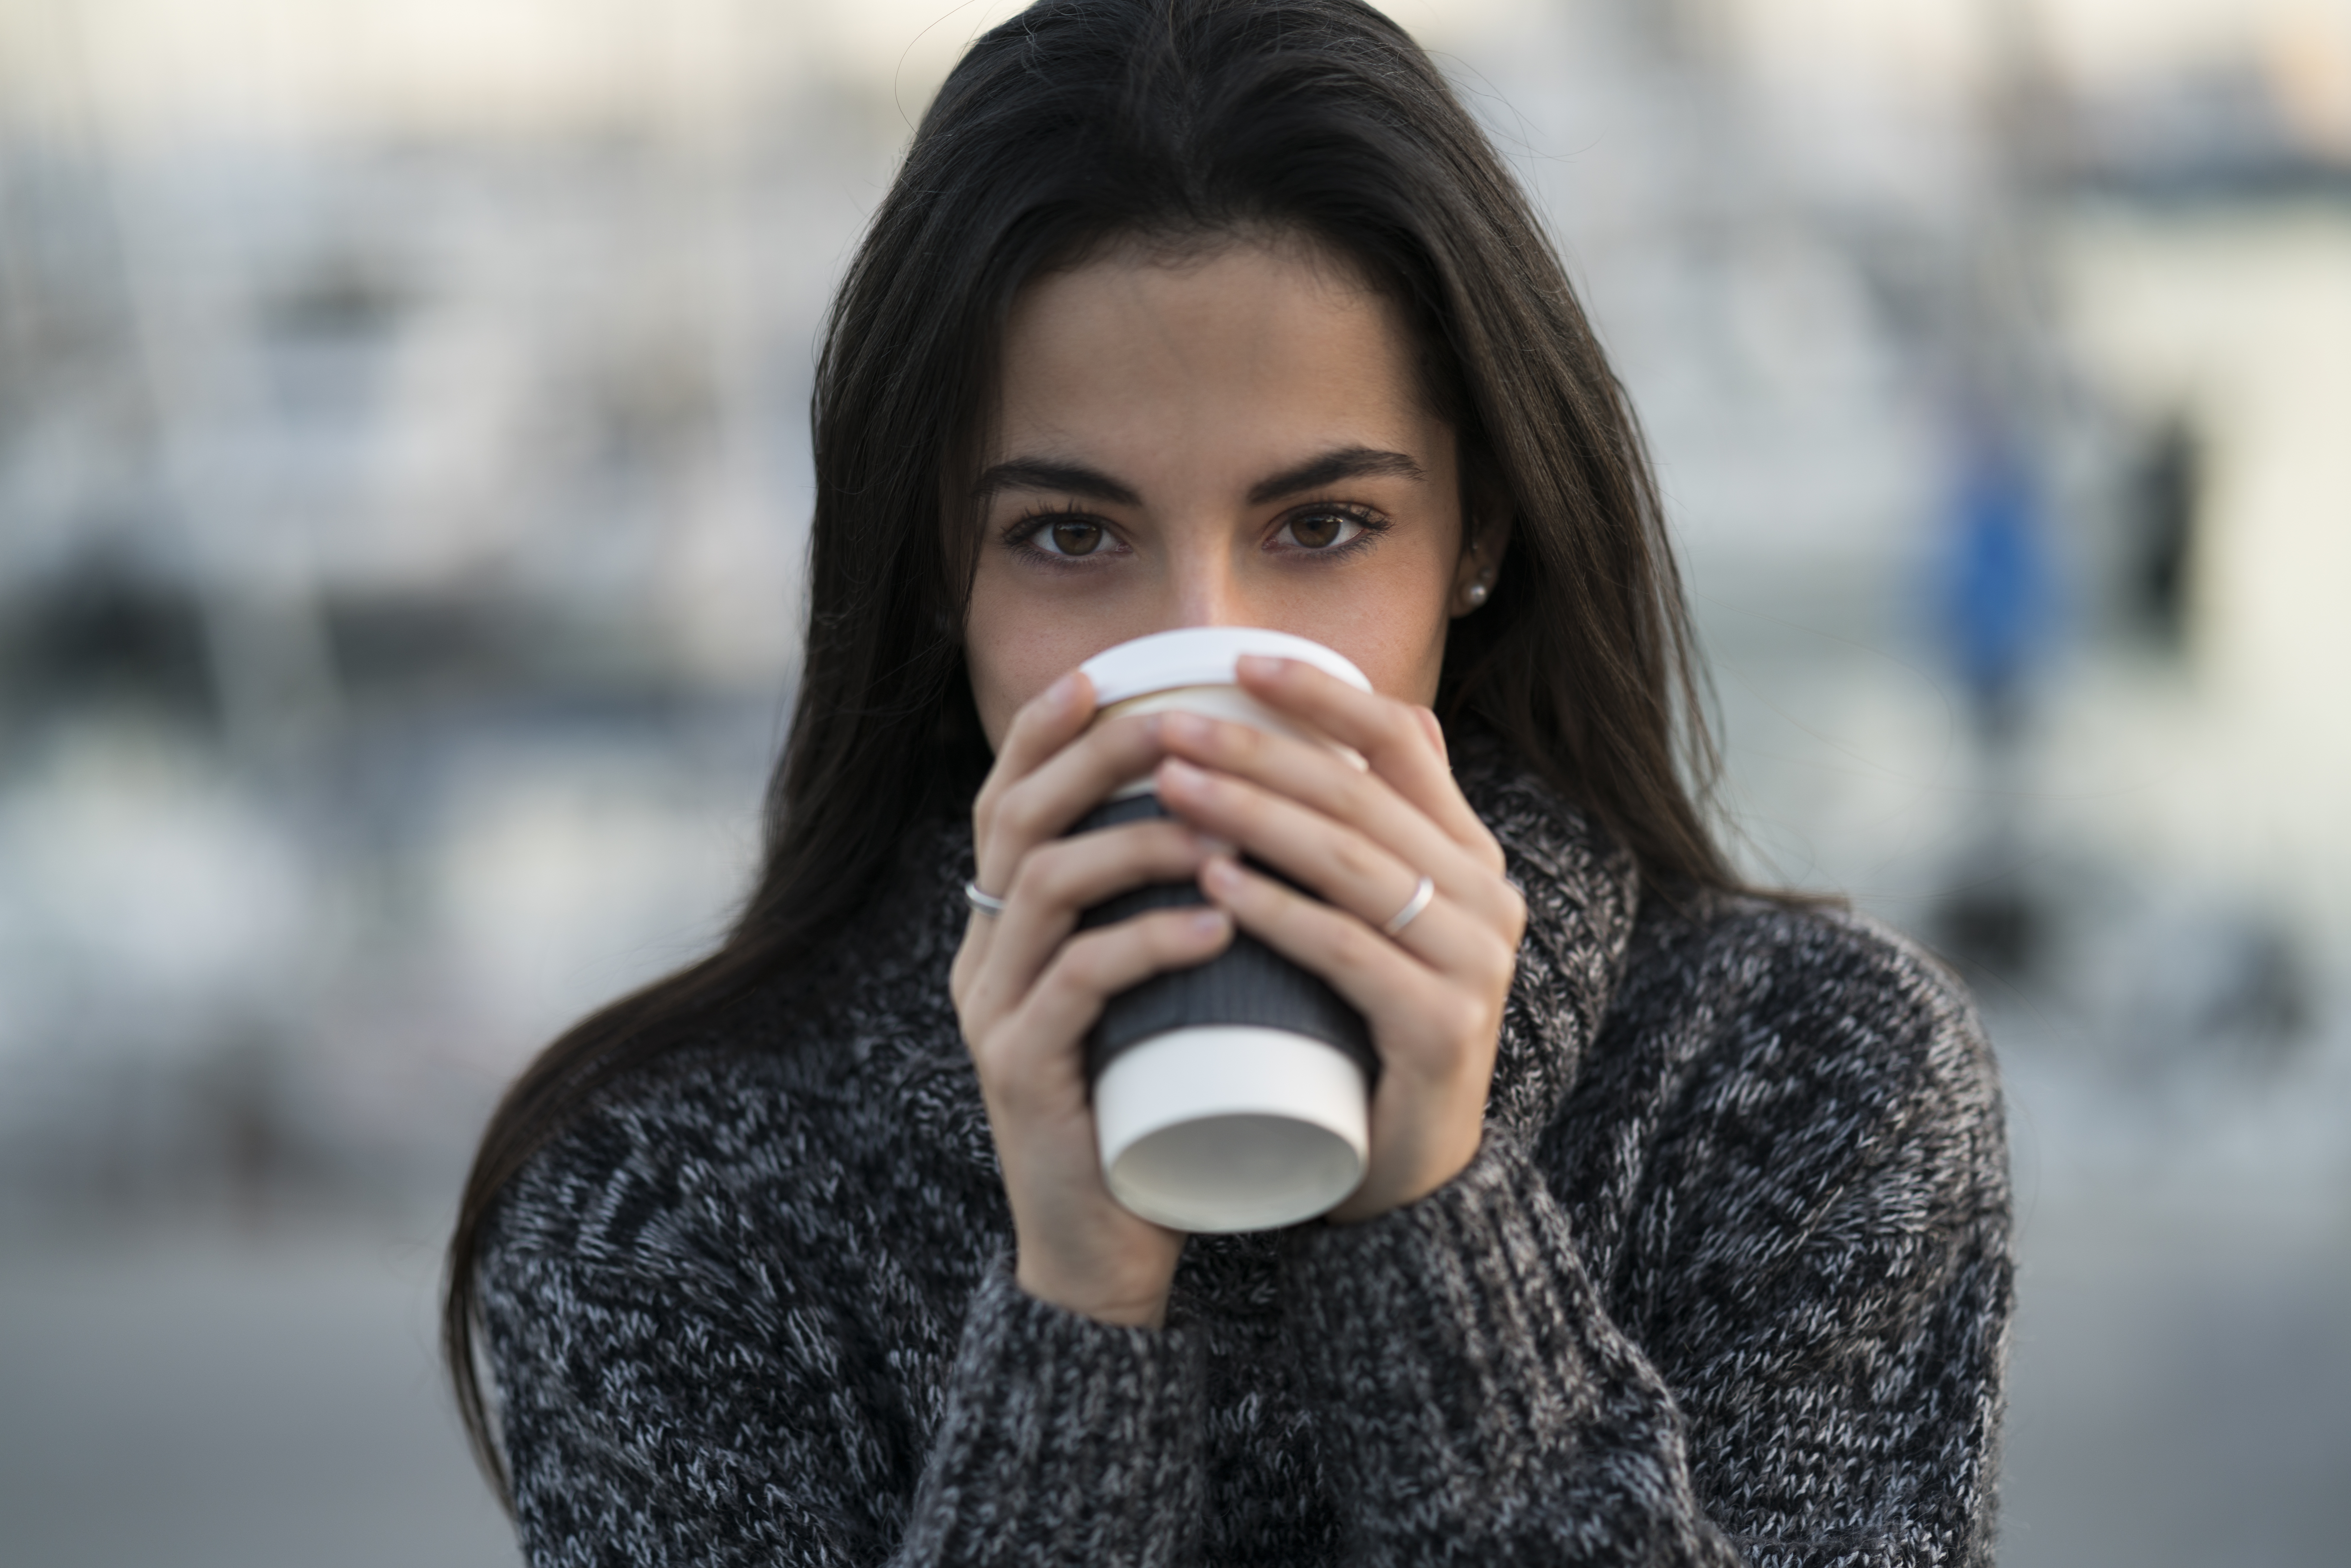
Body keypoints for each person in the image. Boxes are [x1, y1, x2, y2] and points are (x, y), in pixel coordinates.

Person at [443, 2, 2013, 1564]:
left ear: (1479, 529)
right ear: (935, 572)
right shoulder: (669, 1190)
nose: (1204, 649)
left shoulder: (1810, 1081)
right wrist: (1072, 1307)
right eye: (1070, 533)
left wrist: (1438, 1232)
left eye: (1321, 525)